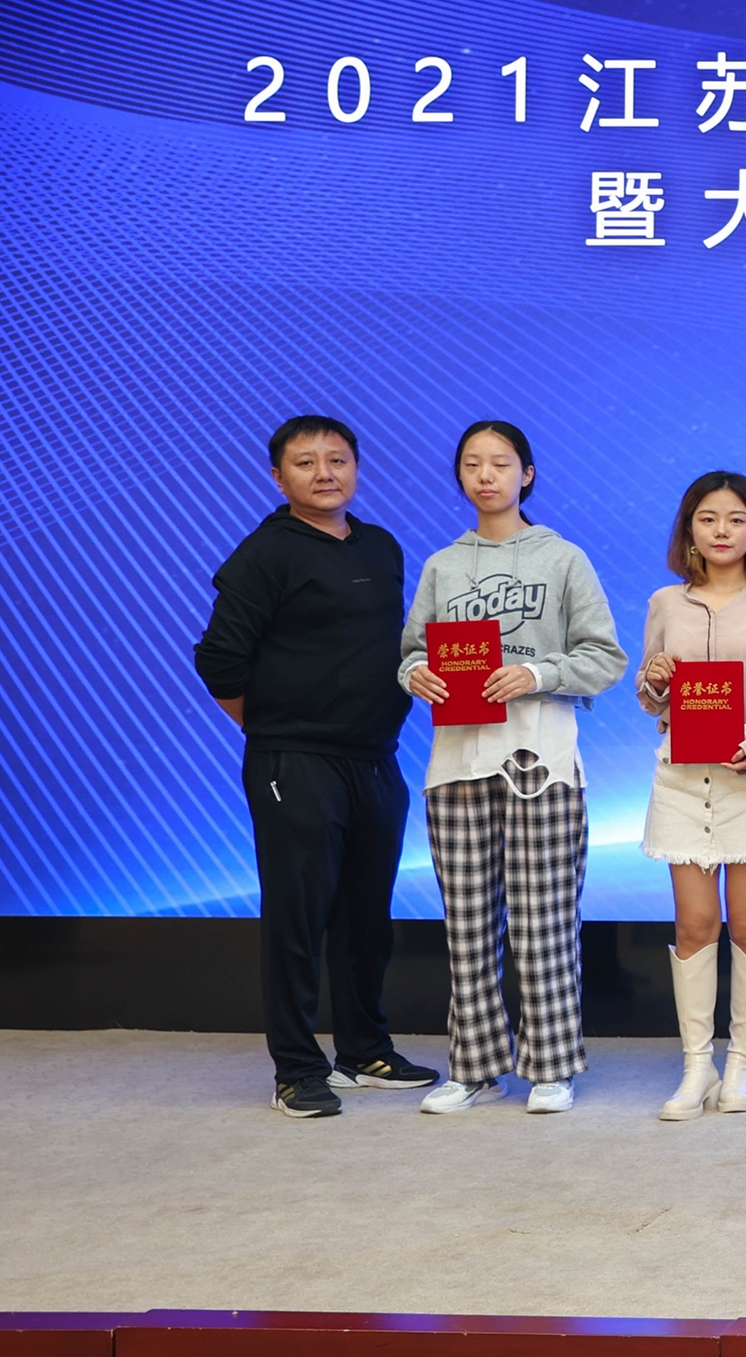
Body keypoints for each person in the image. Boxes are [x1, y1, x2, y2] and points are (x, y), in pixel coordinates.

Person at [194, 415, 434, 1118]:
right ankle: (297, 1069)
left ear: (356, 467)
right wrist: (275, 728)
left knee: (367, 917)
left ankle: (364, 1050)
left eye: (337, 459)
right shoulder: (265, 553)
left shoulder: (381, 545)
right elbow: (218, 660)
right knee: (297, 917)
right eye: (305, 462)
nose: (324, 473)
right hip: (293, 762)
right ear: (279, 478)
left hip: (375, 759)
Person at [400, 421, 626, 1115]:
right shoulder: (442, 565)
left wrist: (535, 673)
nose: (486, 475)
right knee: (467, 924)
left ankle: (551, 1065)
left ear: (527, 473)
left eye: (500, 463)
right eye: (472, 464)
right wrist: (415, 673)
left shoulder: (563, 558)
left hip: (541, 760)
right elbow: (412, 651)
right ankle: (474, 1066)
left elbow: (605, 657)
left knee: (542, 920)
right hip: (456, 762)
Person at [636, 471, 746, 1121]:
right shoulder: (665, 602)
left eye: (736, 519)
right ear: (689, 529)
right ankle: (696, 1066)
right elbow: (651, 695)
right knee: (693, 924)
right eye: (708, 518)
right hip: (683, 778)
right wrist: (655, 680)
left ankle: (741, 1062)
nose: (721, 530)